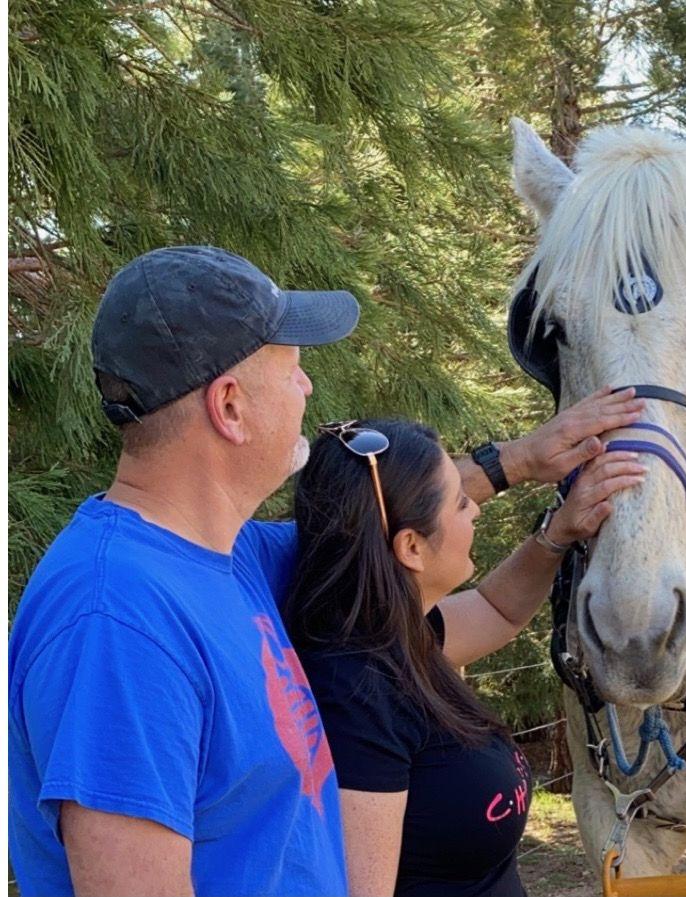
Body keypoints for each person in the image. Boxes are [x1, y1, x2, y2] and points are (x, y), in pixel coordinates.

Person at [8, 245, 645, 897]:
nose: (307, 385)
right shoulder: (116, 620)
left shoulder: (230, 556)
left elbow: (382, 522)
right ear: (229, 406)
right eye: (292, 367)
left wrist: (519, 461)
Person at [284, 418, 646, 897]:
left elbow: (496, 611)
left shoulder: (395, 635)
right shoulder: (358, 694)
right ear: (411, 547)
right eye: (459, 501)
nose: (474, 508)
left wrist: (558, 532)